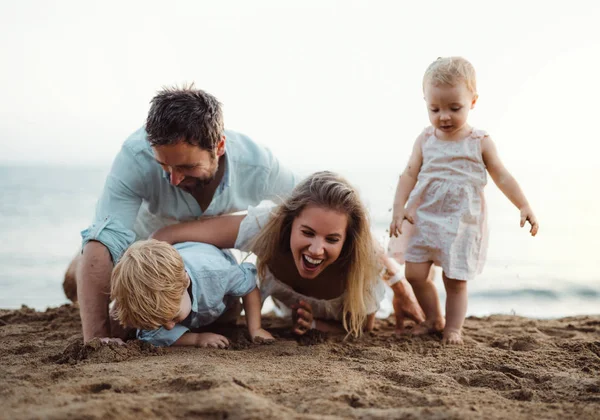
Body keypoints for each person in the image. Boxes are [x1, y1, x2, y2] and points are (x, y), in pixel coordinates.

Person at [71, 85, 297, 343]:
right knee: (82, 277)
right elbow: (104, 240)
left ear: (219, 146)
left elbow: (306, 209)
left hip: (206, 248)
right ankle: (77, 265)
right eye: (164, 166)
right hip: (145, 245)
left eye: (187, 167)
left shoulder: (259, 165)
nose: (174, 179)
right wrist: (98, 340)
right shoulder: (135, 156)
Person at [388, 57, 539, 345]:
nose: (443, 116)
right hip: (425, 217)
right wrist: (399, 208)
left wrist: (523, 205)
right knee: (415, 272)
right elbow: (409, 174)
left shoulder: (479, 141)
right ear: (426, 102)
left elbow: (502, 176)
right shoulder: (425, 140)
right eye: (434, 109)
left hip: (461, 223)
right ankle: (433, 318)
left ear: (473, 101)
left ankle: (453, 328)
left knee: (455, 280)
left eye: (454, 108)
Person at [153, 171, 401, 338]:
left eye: (332, 239)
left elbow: (361, 328)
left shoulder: (362, 263)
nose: (316, 249)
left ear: (346, 241)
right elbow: (169, 234)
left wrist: (315, 324)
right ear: (289, 222)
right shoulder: (267, 227)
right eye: (307, 232)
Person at [110, 239, 273, 347]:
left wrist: (255, 329)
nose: (169, 326)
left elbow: (249, 283)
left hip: (211, 272)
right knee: (151, 335)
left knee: (231, 313)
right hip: (178, 282)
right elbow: (152, 335)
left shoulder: (217, 274)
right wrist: (197, 339)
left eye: (173, 317)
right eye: (161, 322)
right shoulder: (162, 312)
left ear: (185, 281)